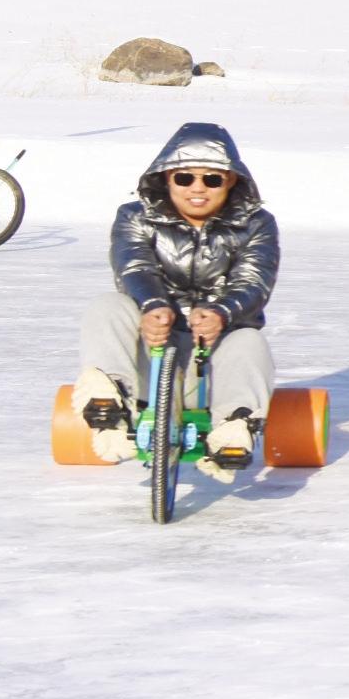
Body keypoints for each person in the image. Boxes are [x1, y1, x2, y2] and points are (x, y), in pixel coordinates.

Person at [70, 124, 281, 475]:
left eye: (212, 180)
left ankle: (234, 425)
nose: (197, 189)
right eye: (185, 178)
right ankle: (110, 402)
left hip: (212, 368)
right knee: (108, 307)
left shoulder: (257, 224)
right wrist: (154, 306)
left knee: (249, 339)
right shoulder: (134, 216)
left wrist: (220, 313)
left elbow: (254, 281)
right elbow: (134, 265)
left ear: (231, 180)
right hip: (148, 361)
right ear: (167, 177)